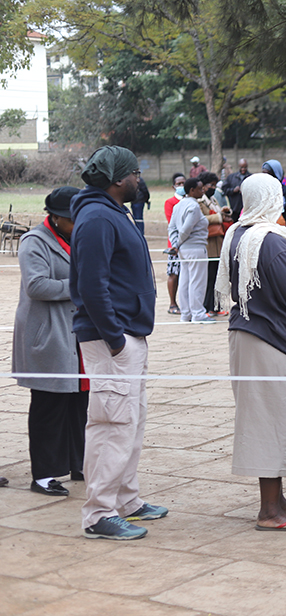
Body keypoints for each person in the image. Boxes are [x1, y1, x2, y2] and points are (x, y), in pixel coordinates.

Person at [215, 173, 286, 532]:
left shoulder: (239, 233)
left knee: (275, 419)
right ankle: (268, 511)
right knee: (271, 423)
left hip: (250, 335)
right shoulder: (273, 242)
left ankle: (277, 499)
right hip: (273, 341)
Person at [70, 145, 164, 541]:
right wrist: (113, 338)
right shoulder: (95, 217)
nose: (139, 179)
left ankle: (127, 500)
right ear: (116, 180)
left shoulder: (109, 212)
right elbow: (91, 285)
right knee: (112, 423)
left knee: (130, 420)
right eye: (134, 174)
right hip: (113, 339)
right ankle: (99, 513)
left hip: (128, 334)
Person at [13, 186, 88, 496]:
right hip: (48, 335)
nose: (77, 223)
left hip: (77, 337)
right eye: (72, 219)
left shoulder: (77, 238)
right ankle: (43, 475)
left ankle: (79, 463)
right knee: (49, 407)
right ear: (55, 218)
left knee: (79, 405)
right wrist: (81, 287)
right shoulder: (34, 242)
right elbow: (37, 285)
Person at [168, 178, 213, 323]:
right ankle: (197, 313)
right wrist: (177, 244)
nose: (203, 191)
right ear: (192, 190)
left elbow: (172, 228)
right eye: (200, 189)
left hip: (183, 250)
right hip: (195, 248)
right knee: (197, 281)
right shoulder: (193, 207)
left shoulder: (179, 205)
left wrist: (176, 244)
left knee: (185, 281)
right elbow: (186, 229)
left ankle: (186, 313)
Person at [197, 172, 230, 316]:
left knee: (218, 277)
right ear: (203, 186)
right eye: (211, 185)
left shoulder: (213, 200)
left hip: (218, 243)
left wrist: (223, 213)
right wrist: (219, 217)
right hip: (208, 243)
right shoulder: (199, 202)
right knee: (209, 277)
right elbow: (201, 219)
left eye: (215, 185)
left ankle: (216, 306)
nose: (213, 188)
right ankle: (206, 307)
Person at [163, 173, 185, 314]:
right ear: (173, 186)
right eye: (179, 184)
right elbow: (172, 222)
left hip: (188, 243)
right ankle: (172, 303)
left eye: (184, 183)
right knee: (174, 273)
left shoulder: (190, 200)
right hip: (175, 244)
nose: (181, 186)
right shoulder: (170, 202)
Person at [262, 160, 286, 231]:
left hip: (279, 225)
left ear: (275, 174)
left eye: (268, 174)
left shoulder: (283, 189)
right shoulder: (261, 189)